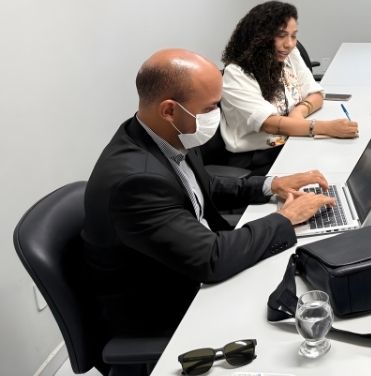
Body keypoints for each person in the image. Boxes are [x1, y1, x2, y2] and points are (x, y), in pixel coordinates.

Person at [82, 49, 336, 337]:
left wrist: (271, 184)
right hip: (165, 307)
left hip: (194, 263)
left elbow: (204, 185)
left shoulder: (162, 133)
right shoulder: (135, 182)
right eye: (210, 108)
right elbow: (211, 259)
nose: (217, 115)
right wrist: (286, 218)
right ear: (169, 110)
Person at [220, 1, 358, 174]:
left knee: (340, 163)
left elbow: (316, 94)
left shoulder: (288, 56)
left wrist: (298, 112)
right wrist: (326, 128)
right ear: (259, 36)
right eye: (281, 35)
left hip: (290, 141)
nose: (289, 44)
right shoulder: (236, 74)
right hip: (257, 159)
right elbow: (269, 124)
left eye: (293, 36)